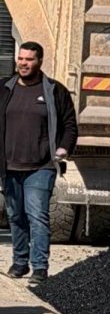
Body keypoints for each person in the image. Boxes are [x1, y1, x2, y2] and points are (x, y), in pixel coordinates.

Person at [0, 42, 78, 286]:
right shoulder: (4, 88)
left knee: (37, 216)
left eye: (29, 59)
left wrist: (63, 148)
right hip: (9, 166)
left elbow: (69, 125)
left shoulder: (54, 91)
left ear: (39, 61)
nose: (23, 63)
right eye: (20, 59)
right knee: (15, 216)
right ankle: (20, 263)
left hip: (41, 166)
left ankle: (40, 267)